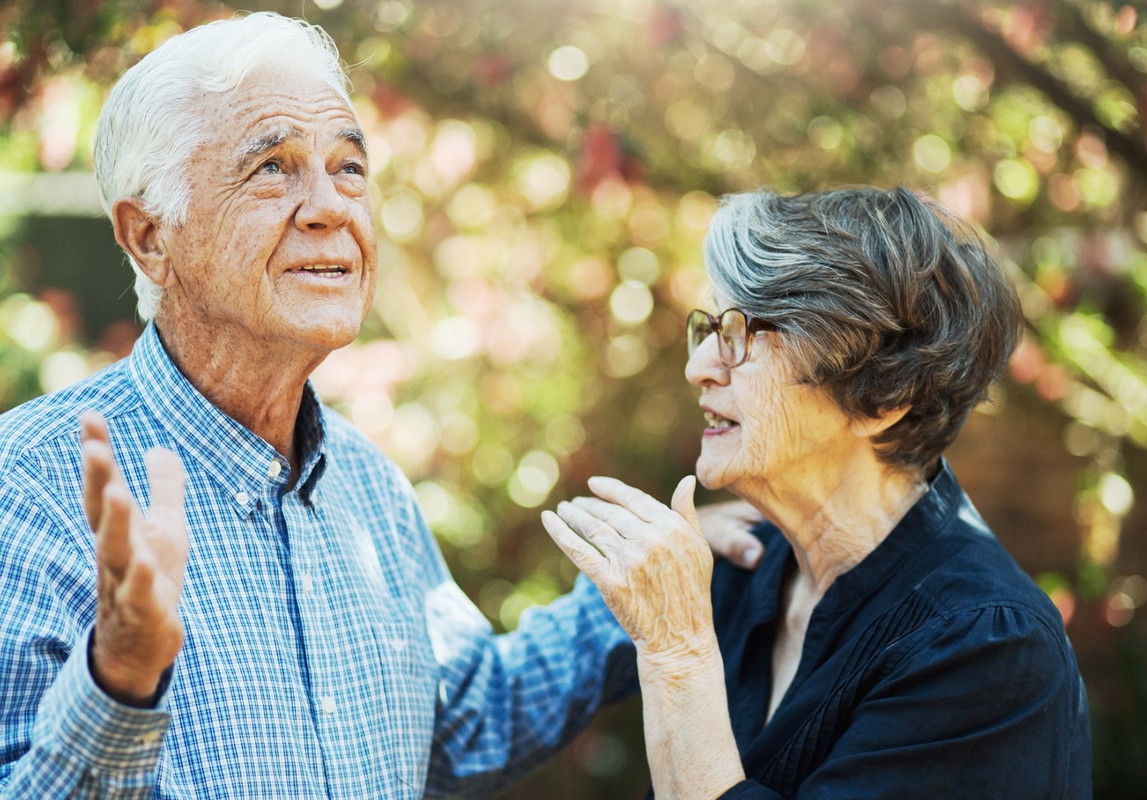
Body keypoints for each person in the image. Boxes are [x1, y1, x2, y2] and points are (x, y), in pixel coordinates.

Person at [0, 12, 757, 796]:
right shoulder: (24, 491)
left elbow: (466, 722)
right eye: (272, 168)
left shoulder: (366, 486)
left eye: (349, 167)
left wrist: (650, 576)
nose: (330, 207)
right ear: (149, 237)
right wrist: (119, 681)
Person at [543, 186, 1093, 798]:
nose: (698, 366)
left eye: (741, 332)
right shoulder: (736, 568)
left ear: (882, 396)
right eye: (712, 325)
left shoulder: (985, 648)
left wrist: (678, 654)